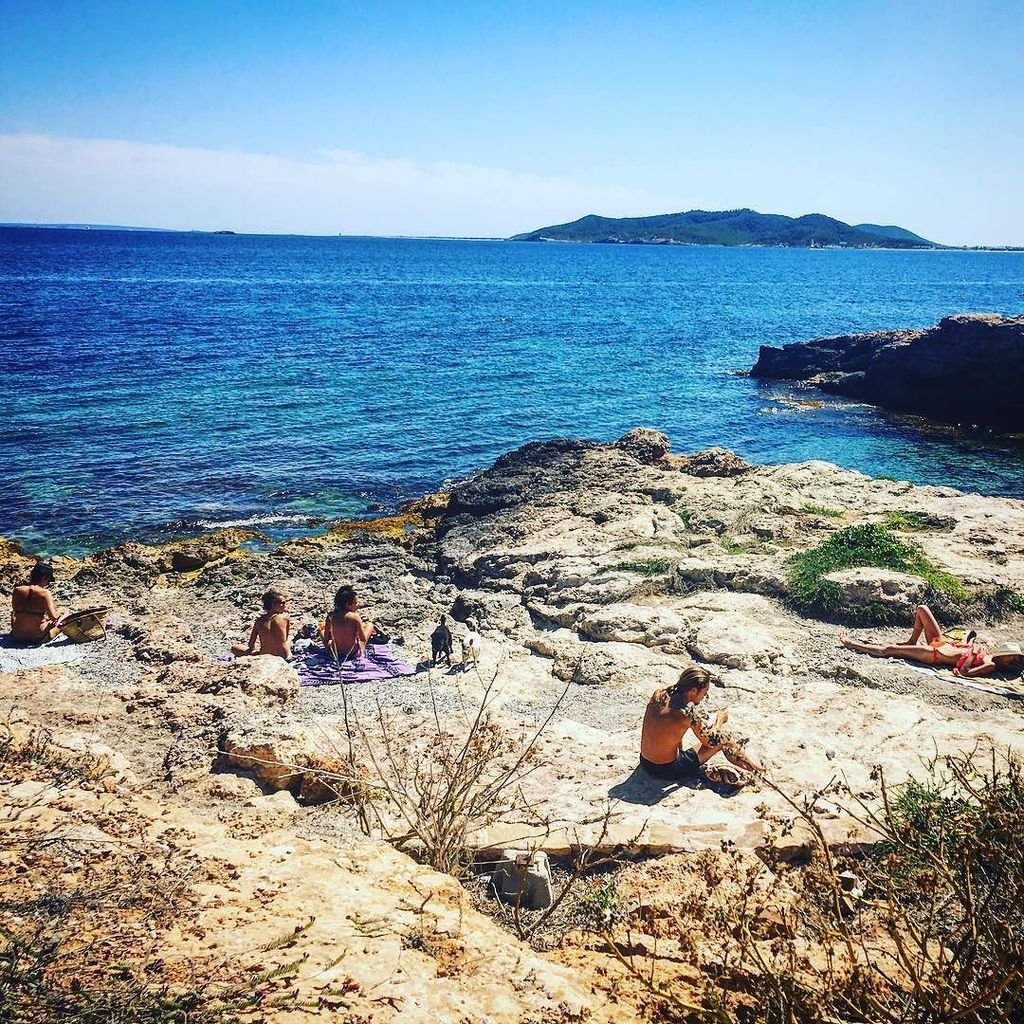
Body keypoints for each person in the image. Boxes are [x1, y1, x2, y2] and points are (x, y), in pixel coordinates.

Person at [639, 666, 762, 781]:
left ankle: (752, 766)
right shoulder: (686, 715)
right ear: (693, 690)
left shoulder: (659, 694)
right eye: (704, 692)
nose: (705, 696)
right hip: (667, 770)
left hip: (645, 761)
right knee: (725, 740)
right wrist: (719, 721)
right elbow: (710, 742)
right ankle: (755, 769)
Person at [840, 604, 1024, 678]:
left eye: (1015, 659)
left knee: (889, 649)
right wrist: (971, 647)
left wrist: (972, 654)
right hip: (942, 643)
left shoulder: (990, 664)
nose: (1014, 659)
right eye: (1013, 656)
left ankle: (851, 643)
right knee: (922, 609)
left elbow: (964, 672)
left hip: (936, 654)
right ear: (1003, 653)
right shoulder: (988, 654)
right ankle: (911, 640)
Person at [10, 561, 68, 645]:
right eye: (48, 580)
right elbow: (54, 617)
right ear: (44, 577)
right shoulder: (45, 593)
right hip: (38, 636)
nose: (48, 583)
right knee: (65, 612)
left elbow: (16, 611)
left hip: (17, 635)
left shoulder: (17, 590)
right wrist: (61, 611)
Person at [231, 590, 292, 660]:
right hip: (283, 656)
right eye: (282, 603)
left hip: (265, 656)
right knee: (290, 639)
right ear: (273, 605)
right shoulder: (285, 618)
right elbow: (285, 639)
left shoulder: (259, 621)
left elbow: (251, 645)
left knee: (234, 648)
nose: (285, 605)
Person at [323, 585, 377, 662]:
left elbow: (326, 638)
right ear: (348, 605)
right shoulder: (354, 617)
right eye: (356, 603)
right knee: (370, 625)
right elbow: (363, 639)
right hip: (352, 653)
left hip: (335, 653)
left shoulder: (330, 616)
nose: (358, 605)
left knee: (322, 631)